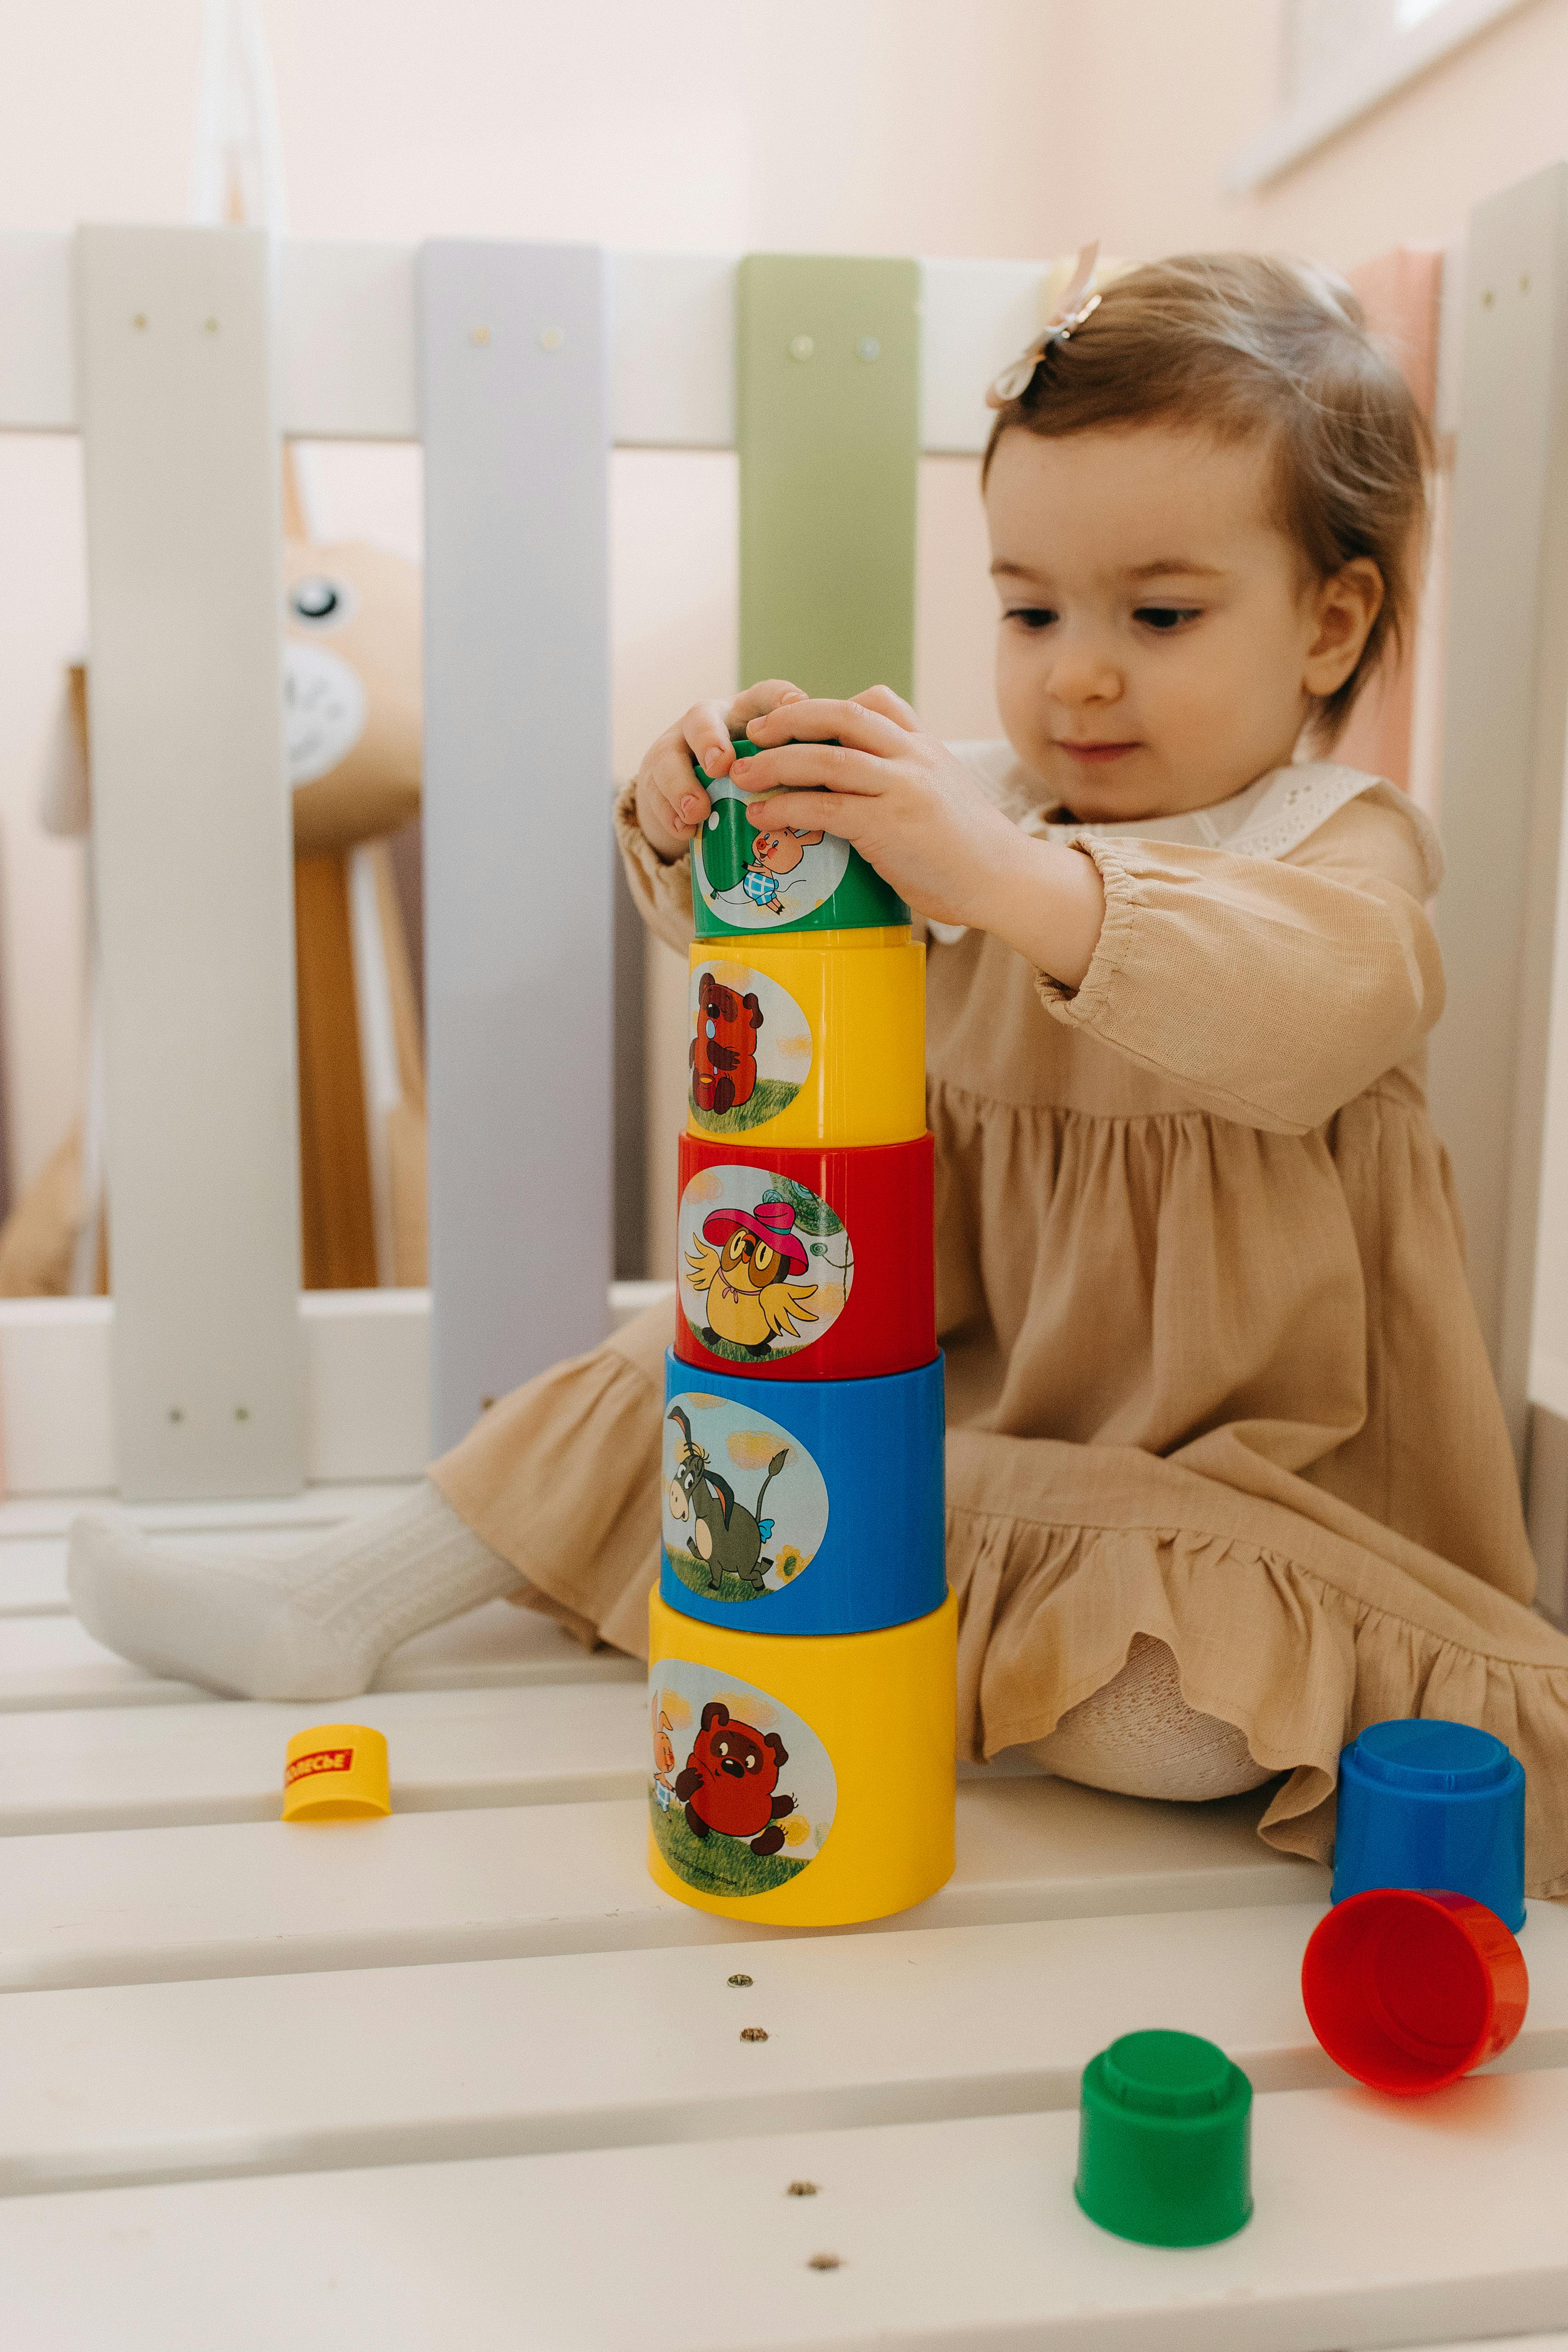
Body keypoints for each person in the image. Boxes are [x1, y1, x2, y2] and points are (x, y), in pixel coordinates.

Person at [68, 252, 1568, 1893]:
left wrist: (1000, 876)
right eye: (1027, 608)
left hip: (1221, 1475)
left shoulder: (1330, 845)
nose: (1075, 671)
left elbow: (1322, 1007)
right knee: (692, 1364)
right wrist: (687, 818)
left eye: (1157, 615)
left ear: (1327, 622)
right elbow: (773, 950)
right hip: (929, 1384)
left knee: (1175, 1700)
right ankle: (333, 1601)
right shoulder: (976, 799)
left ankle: (926, 1631)